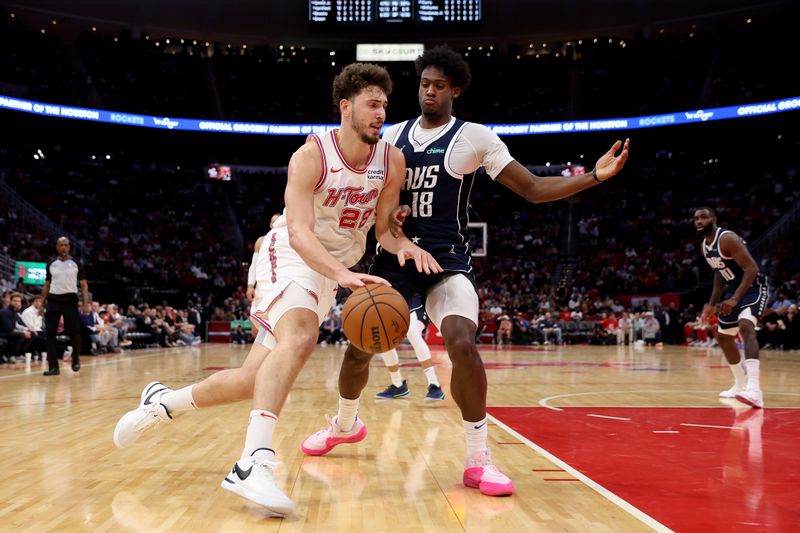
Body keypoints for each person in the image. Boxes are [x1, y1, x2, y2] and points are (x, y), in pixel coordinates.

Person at [112, 63, 439, 516]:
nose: (382, 113)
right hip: (290, 252)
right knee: (301, 337)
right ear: (346, 107)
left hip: (331, 268)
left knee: (252, 380)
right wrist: (343, 276)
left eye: (385, 104)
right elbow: (302, 234)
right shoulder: (311, 156)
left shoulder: (392, 161)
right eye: (372, 104)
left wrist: (405, 246)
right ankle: (253, 462)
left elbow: (383, 230)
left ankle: (163, 402)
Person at [301, 46, 629, 497]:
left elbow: (532, 188)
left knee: (461, 342)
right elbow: (374, 195)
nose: (429, 91)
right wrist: (391, 218)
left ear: (455, 89)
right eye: (423, 84)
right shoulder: (391, 136)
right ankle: (344, 423)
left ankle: (478, 458)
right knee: (361, 345)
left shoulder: (475, 137)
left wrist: (593, 176)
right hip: (396, 254)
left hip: (447, 259)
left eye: (438, 85)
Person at [695, 207, 769, 408]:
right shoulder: (705, 246)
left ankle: (754, 390)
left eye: (703, 217)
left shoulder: (727, 238)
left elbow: (752, 268)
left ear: (714, 219)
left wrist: (736, 298)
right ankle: (740, 384)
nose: (699, 221)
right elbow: (719, 273)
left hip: (753, 287)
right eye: (696, 219)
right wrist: (711, 304)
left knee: (746, 326)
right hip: (733, 290)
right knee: (724, 338)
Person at [375, 294, 445, 400]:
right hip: (393, 299)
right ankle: (398, 385)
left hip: (417, 298)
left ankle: (435, 385)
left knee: (412, 332)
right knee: (384, 336)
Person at [42, 237, 89, 375]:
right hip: (53, 300)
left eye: (66, 245)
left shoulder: (77, 263)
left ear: (69, 247)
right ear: (57, 247)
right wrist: (42, 302)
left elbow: (84, 285)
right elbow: (46, 284)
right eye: (60, 245)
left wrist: (86, 304)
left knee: (74, 332)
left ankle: (75, 359)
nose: (63, 247)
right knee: (50, 333)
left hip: (70, 300)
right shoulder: (51, 263)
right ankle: (53, 367)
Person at [246, 213, 281, 337]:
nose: (274, 224)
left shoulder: (287, 240)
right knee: (255, 328)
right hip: (260, 287)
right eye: (272, 221)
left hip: (276, 286)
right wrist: (250, 286)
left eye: (277, 221)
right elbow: (253, 265)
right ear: (270, 224)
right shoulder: (261, 241)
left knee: (274, 326)